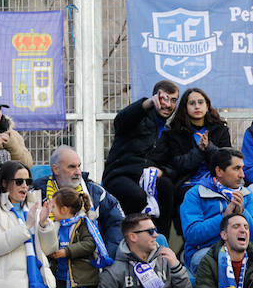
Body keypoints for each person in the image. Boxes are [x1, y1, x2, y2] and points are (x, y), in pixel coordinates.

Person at [103, 79, 178, 216]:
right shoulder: (137, 119)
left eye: (173, 100)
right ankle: (128, 233)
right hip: (120, 175)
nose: (168, 104)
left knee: (166, 186)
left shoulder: (169, 132)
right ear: (154, 98)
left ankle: (160, 237)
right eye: (164, 99)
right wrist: (145, 104)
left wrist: (162, 171)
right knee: (137, 196)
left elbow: (174, 164)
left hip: (148, 179)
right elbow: (120, 120)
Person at [180, 148, 253, 268]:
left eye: (242, 168)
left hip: (241, 250)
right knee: (223, 262)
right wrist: (224, 218)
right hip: (204, 252)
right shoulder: (195, 194)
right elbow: (192, 235)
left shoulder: (247, 195)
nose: (242, 175)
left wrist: (242, 213)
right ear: (219, 171)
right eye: (236, 168)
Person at [37, 145, 125, 257]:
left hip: (91, 265)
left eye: (79, 166)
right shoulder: (38, 194)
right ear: (56, 169)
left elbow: (117, 222)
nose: (78, 172)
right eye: (72, 167)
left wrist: (109, 254)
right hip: (52, 263)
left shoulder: (95, 192)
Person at [150, 87, 233, 202]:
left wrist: (209, 148)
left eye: (200, 102)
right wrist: (199, 151)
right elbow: (177, 165)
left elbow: (227, 160)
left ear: (207, 106)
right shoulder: (174, 133)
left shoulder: (220, 130)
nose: (197, 106)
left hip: (217, 181)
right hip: (187, 183)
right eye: (192, 103)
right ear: (185, 108)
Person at [46, 187, 100, 288]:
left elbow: (89, 244)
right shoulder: (54, 226)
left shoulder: (83, 224)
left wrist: (67, 252)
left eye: (53, 208)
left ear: (64, 209)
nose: (52, 211)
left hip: (79, 277)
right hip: (61, 277)